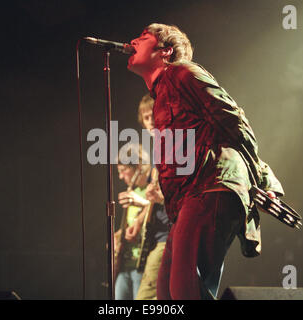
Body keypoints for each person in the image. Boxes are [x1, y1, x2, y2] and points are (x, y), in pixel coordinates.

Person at [127, 23, 284, 300]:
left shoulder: (183, 72)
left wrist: (263, 181)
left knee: (183, 291)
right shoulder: (161, 94)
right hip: (190, 197)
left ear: (166, 51)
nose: (132, 41)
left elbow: (235, 122)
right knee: (166, 294)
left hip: (212, 186)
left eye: (143, 37)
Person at [123, 94, 171, 300]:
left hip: (168, 236)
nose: (150, 121)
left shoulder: (171, 147)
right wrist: (139, 221)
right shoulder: (158, 151)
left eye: (153, 115)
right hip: (157, 236)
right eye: (146, 117)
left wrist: (151, 200)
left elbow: (180, 197)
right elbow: (156, 197)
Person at [114, 144, 150, 300]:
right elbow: (130, 226)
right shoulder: (132, 193)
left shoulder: (152, 191)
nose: (121, 176)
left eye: (124, 170)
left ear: (138, 166)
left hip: (143, 266)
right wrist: (117, 236)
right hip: (124, 266)